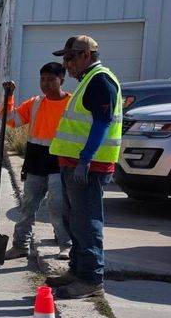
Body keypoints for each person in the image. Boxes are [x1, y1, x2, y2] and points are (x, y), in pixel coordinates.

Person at [47, 36, 122, 299]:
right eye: (65, 59)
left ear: (86, 55)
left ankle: (91, 280)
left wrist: (86, 159)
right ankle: (77, 271)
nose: (66, 65)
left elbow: (102, 123)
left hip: (89, 167)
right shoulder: (88, 81)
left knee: (87, 223)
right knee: (75, 221)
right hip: (74, 165)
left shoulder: (100, 81)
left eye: (70, 58)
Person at [1, 62, 73, 262]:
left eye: (51, 79)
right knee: (28, 206)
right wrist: (9, 97)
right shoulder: (35, 103)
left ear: (62, 81)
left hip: (60, 162)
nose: (46, 83)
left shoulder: (72, 104)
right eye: (43, 79)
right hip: (36, 161)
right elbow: (11, 120)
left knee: (57, 206)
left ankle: (65, 244)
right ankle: (20, 245)